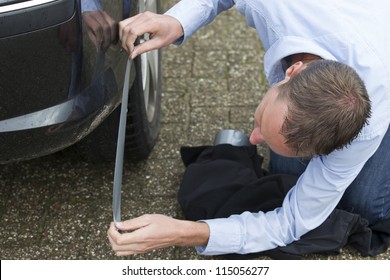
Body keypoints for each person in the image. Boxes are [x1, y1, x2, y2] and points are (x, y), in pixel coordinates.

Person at [107, 0, 390, 256]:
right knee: (286, 179)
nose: (253, 139)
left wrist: (184, 232)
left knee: (365, 209)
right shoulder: (275, 7)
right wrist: (177, 20)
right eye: (261, 124)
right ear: (293, 70)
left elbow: (290, 222)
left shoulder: (368, 128)